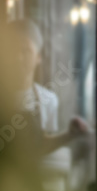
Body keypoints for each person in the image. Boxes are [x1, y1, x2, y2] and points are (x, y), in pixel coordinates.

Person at [10, 19, 90, 153]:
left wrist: (70, 133)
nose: (19, 57)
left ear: (38, 57)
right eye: (13, 50)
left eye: (26, 50)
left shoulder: (48, 100)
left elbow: (42, 147)